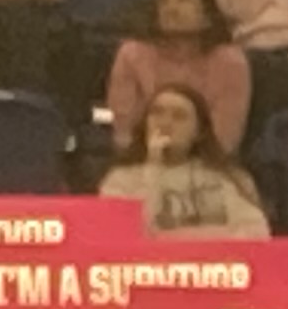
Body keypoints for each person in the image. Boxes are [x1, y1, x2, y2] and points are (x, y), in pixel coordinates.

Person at [109, 0, 252, 161]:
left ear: (208, 13)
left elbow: (225, 140)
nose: (171, 9)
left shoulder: (229, 61)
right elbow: (124, 133)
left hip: (209, 167)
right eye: (163, 1)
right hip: (141, 163)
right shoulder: (131, 55)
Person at [102, 84, 275, 235]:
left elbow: (256, 232)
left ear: (199, 132)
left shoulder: (227, 178)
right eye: (156, 113)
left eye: (179, 116)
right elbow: (124, 234)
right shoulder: (120, 180)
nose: (165, 123)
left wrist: (174, 239)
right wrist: (153, 166)